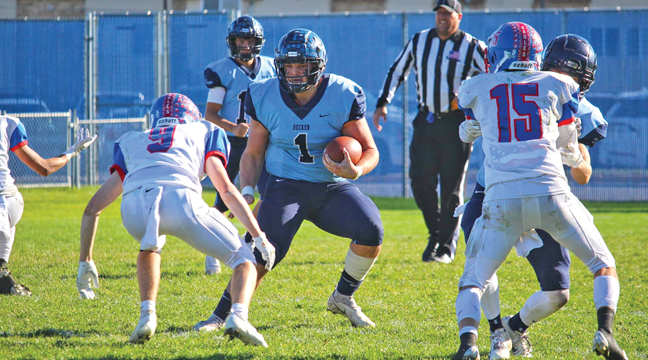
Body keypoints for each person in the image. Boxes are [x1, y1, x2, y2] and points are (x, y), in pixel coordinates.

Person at [452, 22, 627, 360]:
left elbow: (584, 173)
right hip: (509, 191)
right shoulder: (560, 88)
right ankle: (494, 336)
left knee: (554, 290)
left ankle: (504, 330)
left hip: (510, 196)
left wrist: (568, 149)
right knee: (600, 263)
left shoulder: (484, 85)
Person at [193, 28, 383, 332]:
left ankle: (343, 297)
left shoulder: (343, 94)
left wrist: (356, 171)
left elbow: (370, 149)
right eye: (289, 66)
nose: (294, 73)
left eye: (302, 65)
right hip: (286, 184)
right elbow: (253, 153)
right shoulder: (264, 93)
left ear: (318, 66)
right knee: (264, 250)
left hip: (330, 185)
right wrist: (247, 190)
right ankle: (220, 315)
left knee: (371, 230)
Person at [76, 93, 276, 346]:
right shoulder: (204, 130)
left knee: (150, 244)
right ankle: (238, 316)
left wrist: (85, 260)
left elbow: (92, 208)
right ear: (190, 117)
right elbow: (224, 188)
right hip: (181, 198)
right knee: (244, 258)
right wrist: (258, 235)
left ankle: (146, 316)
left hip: (134, 207)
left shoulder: (131, 140)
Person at [373, 0, 486, 263]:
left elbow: (492, 76)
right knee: (420, 182)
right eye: (439, 14)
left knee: (451, 188)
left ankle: (446, 247)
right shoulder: (419, 40)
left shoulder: (472, 46)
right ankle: (436, 233)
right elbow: (397, 70)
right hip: (425, 120)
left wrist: (478, 105)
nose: (442, 18)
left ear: (459, 16)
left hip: (455, 123)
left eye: (447, 14)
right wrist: (383, 103)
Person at [202, 15, 276, 275]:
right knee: (224, 197)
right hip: (232, 140)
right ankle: (213, 252)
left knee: (270, 192)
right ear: (232, 42)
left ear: (258, 42)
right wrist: (233, 127)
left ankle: (248, 238)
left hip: (262, 139)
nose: (245, 44)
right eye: (240, 39)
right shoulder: (222, 70)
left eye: (249, 39)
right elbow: (210, 113)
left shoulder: (271, 67)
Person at [0, 118, 95, 296]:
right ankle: (7, 282)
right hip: (11, 202)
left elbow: (45, 169)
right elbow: (45, 168)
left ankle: (6, 281)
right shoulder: (7, 123)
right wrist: (72, 152)